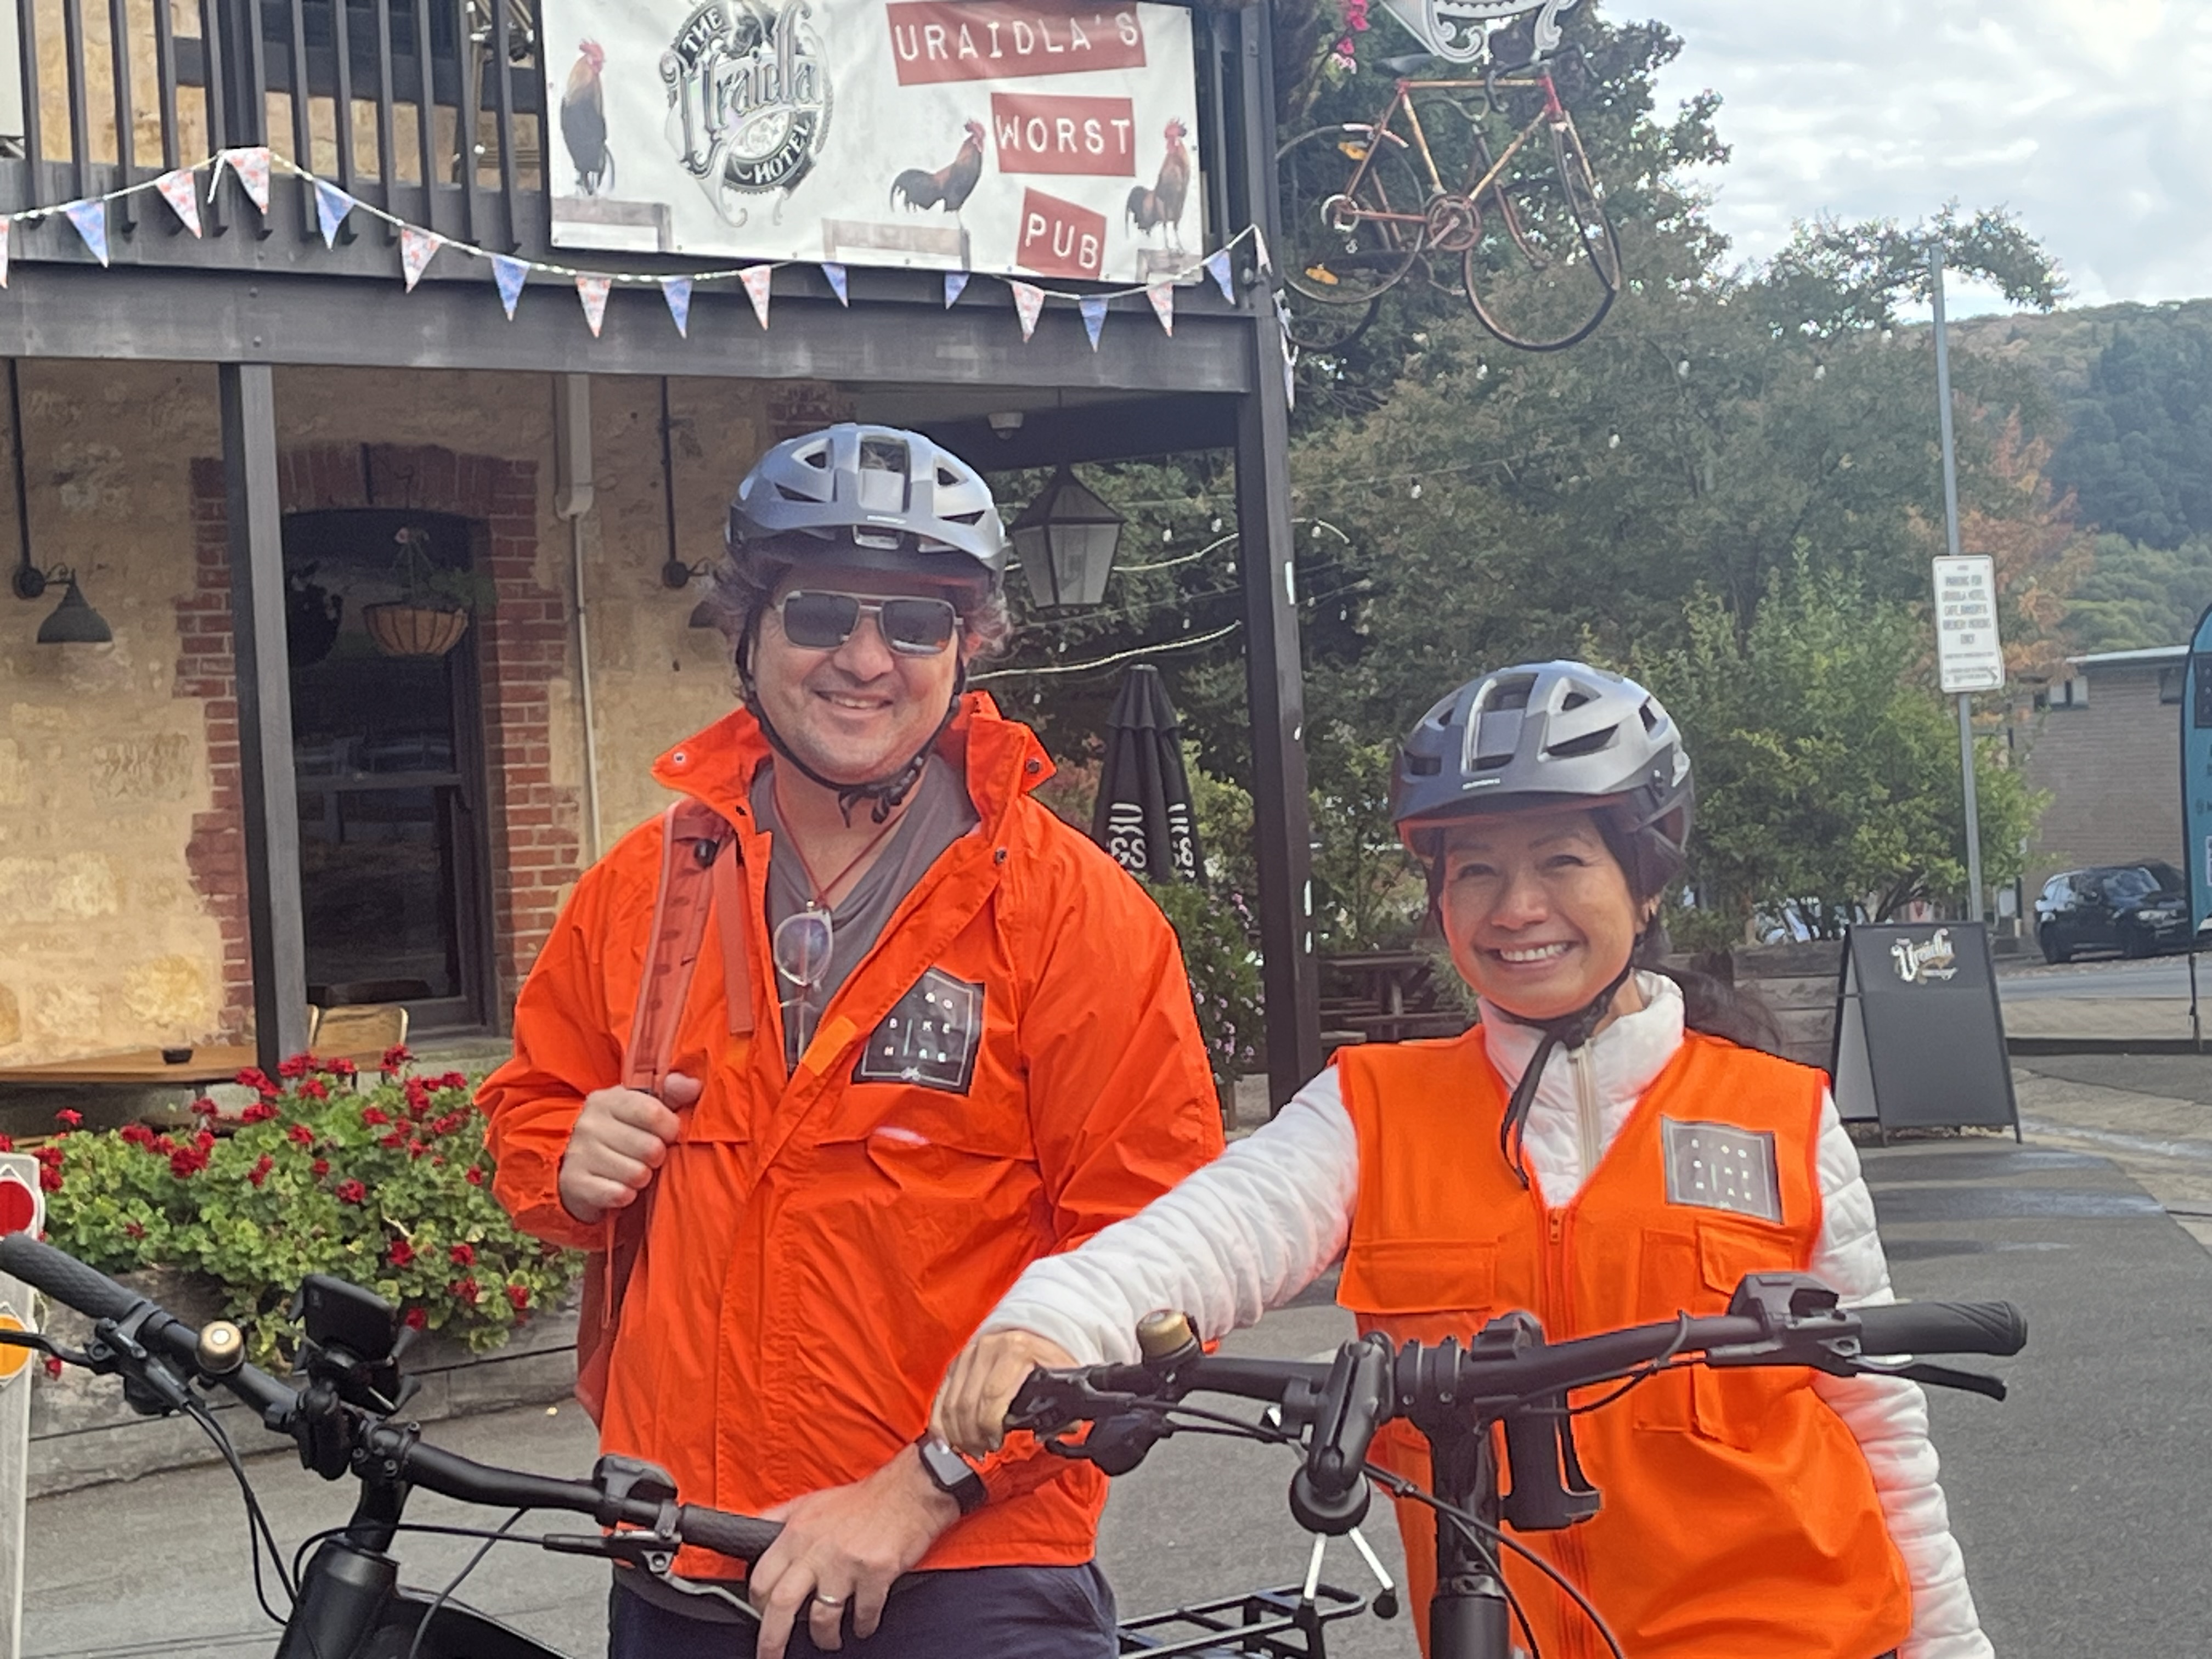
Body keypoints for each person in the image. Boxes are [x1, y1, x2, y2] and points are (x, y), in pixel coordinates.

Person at [936, 661, 1993, 1659]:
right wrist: (1055, 1319)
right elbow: (1211, 1228)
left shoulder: (1782, 1116)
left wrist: (1951, 1644)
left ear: (1649, 880)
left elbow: (1882, 1426)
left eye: (1561, 861)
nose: (1515, 907)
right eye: (1475, 870)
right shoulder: (1374, 1108)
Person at [479, 424, 1224, 1659]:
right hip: (684, 1554)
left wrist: (925, 1487)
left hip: (965, 1569)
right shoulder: (643, 887)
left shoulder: (1070, 913)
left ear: (966, 647)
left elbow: (1162, 1264)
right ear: (751, 631)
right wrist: (565, 1154)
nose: (866, 660)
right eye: (823, 611)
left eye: (918, 623)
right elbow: (532, 1109)